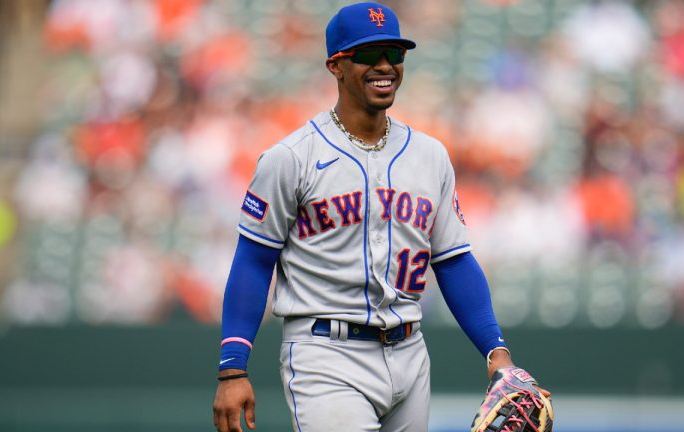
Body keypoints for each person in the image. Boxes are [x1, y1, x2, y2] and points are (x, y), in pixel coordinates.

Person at [212, 3, 547, 431]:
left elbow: (454, 259)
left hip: (409, 351)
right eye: (369, 55)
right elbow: (254, 261)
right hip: (325, 354)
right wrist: (232, 366)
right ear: (336, 65)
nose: (385, 66)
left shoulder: (430, 156)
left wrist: (496, 350)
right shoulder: (290, 158)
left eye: (395, 53)